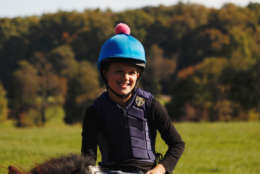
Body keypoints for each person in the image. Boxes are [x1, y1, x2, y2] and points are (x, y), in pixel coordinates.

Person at [81, 23, 185, 174]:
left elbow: (177, 144)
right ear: (105, 73)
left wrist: (160, 169)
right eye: (119, 71)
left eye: (131, 72)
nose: (125, 78)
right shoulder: (95, 111)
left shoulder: (151, 105)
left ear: (138, 75)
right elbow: (88, 157)